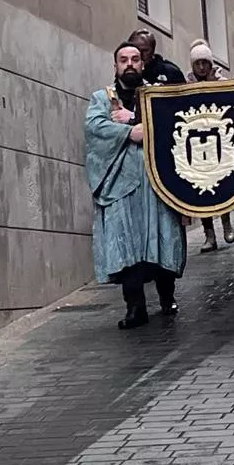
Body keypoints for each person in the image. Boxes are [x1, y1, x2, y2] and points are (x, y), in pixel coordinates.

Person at [85, 42, 187, 329]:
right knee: (126, 247)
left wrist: (141, 121)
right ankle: (135, 307)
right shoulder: (100, 99)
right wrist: (130, 132)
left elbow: (174, 123)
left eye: (135, 59)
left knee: (163, 238)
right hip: (120, 188)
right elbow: (95, 130)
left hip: (158, 184)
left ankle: (168, 297)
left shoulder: (158, 95)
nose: (129, 64)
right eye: (123, 59)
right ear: (115, 65)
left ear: (144, 64)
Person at [188, 39, 234, 252]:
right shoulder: (187, 83)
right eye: (197, 63)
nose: (201, 67)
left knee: (222, 183)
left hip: (219, 138)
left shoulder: (221, 81)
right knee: (202, 187)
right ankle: (209, 233)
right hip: (197, 140)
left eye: (204, 63)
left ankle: (226, 221)